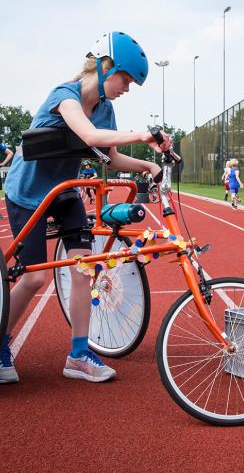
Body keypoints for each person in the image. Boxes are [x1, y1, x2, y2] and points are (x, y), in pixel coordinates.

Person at [0, 31, 172, 384]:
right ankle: (1, 342)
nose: (128, 87)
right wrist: (142, 135)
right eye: (127, 79)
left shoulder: (106, 109)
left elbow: (110, 157)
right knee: (34, 277)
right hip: (28, 192)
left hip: (65, 192)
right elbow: (89, 136)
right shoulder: (65, 96)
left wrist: (149, 166)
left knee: (84, 270)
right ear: (106, 67)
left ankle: (78, 354)